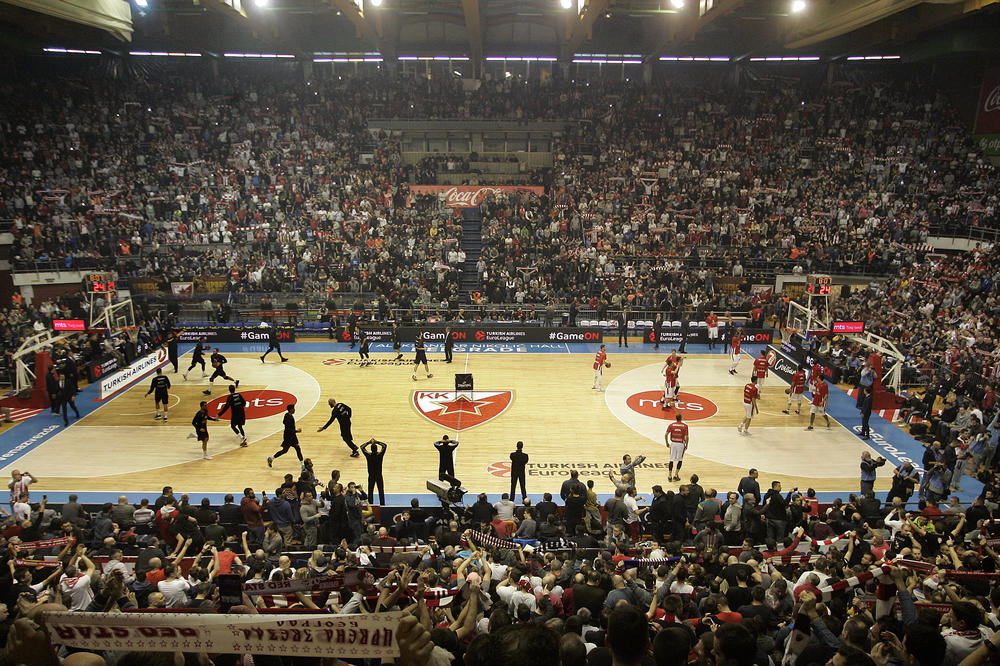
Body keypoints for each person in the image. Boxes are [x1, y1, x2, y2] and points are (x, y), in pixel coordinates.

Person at [361, 438, 387, 505]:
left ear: (371, 449)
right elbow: (384, 446)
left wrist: (368, 442)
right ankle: (382, 504)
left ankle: (371, 504)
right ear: (377, 449)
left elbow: (362, 447)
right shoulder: (380, 455)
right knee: (381, 491)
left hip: (371, 476)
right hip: (379, 476)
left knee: (370, 491)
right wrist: (377, 442)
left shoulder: (368, 455)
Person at [665, 414, 689, 482]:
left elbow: (666, 434)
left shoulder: (672, 425)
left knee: (671, 459)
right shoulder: (685, 426)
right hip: (680, 444)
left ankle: (669, 475)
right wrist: (686, 445)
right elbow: (687, 437)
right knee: (680, 460)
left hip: (673, 443)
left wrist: (667, 442)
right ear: (681, 418)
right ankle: (676, 475)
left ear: (676, 418)